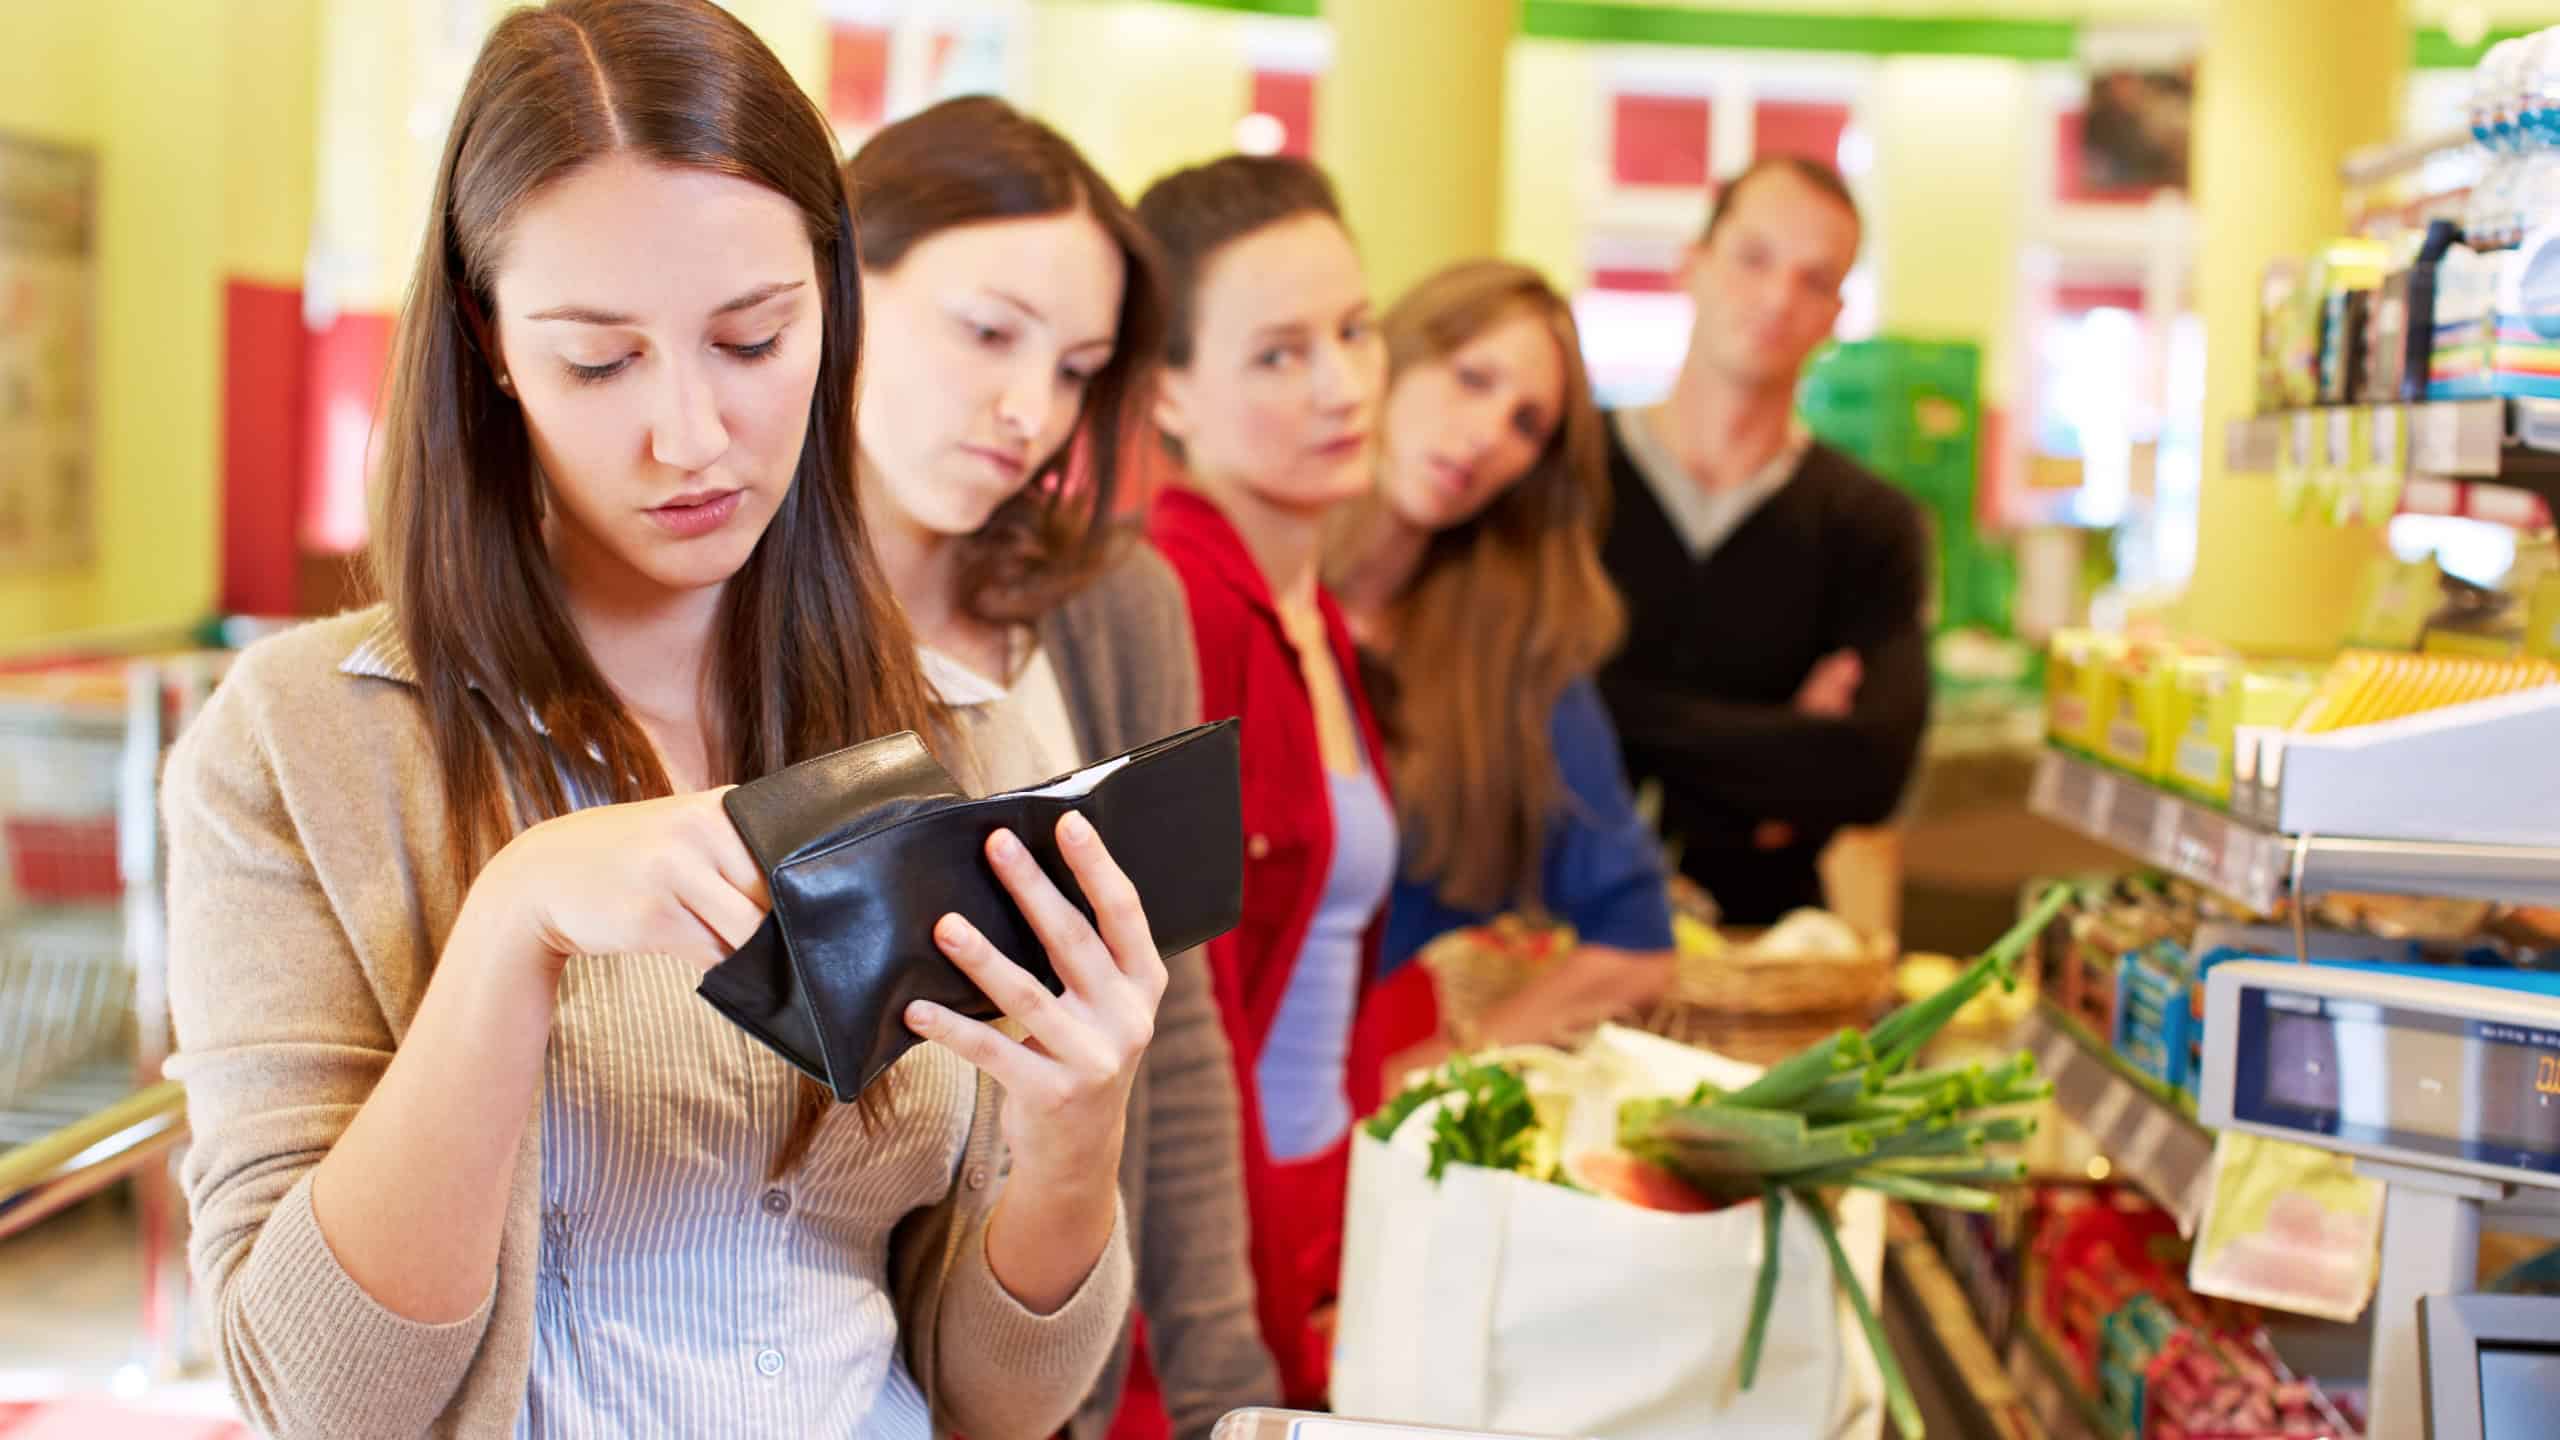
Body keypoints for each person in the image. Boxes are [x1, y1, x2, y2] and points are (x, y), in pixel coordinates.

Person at [160, 6, 1161, 1436]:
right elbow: (327, 1400)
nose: (690, 436)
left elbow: (999, 1404)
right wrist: (513, 919)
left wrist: (1077, 1137)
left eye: (753, 341)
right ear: (487, 343)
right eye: (599, 361)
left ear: (831, 308)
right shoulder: (303, 745)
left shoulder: (958, 740)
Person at [844, 97, 1275, 1440]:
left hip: (1041, 1356)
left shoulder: (1115, 605)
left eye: (1079, 367)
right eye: (986, 333)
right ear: (835, 284)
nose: (1029, 411)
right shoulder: (721, 611)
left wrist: (1225, 1390)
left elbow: (1178, 1026)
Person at [1135, 155, 1427, 1409]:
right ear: (1168, 391)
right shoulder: (1175, 604)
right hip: (1209, 1241)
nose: (1342, 385)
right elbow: (1171, 1024)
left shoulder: (1311, 611)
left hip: (1319, 1198)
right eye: (1277, 354)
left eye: (1356, 333)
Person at [1325, 259, 1675, 1059]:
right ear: (1391, 356)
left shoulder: (1518, 655)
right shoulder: (1248, 589)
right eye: (1471, 378)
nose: (1485, 436)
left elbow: (1637, 944)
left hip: (1363, 1123)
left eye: (1527, 425)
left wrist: (1425, 1078)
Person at [1597, 155, 1931, 927]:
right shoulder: (1570, 481)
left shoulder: (1871, 524)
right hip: (1545, 934)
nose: (1779, 297)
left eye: (1815, 280)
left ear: (1836, 316)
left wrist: (1614, 716)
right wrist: (1784, 743)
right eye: (1753, 259)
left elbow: (1873, 772)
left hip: (1763, 953)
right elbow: (1526, 715)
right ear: (1693, 265)